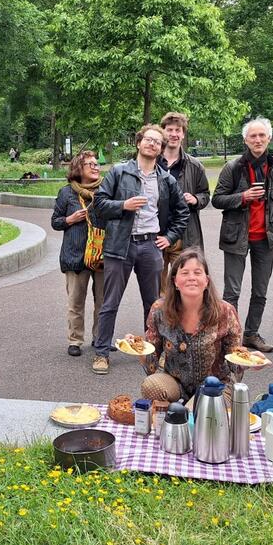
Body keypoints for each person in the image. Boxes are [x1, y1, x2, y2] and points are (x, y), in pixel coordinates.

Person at [89, 124, 189, 375]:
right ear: (138, 143)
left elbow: (182, 213)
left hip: (150, 246)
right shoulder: (119, 172)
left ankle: (154, 353)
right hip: (119, 245)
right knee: (110, 302)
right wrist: (123, 205)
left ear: (161, 149)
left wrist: (169, 237)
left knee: (154, 304)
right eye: (148, 139)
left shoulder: (166, 179)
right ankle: (101, 353)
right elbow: (98, 205)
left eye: (157, 142)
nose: (152, 144)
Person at [140, 249, 261, 402]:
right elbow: (151, 364)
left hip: (215, 385)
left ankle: (190, 409)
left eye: (197, 273)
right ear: (175, 281)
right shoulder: (159, 310)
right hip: (175, 382)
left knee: (200, 411)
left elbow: (234, 362)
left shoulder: (225, 311)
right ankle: (180, 408)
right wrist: (137, 348)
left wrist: (250, 361)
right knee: (151, 386)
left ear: (206, 281)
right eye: (185, 273)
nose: (191, 278)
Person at [211, 116, 273, 353]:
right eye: (253, 136)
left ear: (269, 138)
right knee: (232, 292)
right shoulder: (234, 167)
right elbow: (217, 199)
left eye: (262, 135)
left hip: (266, 238)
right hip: (236, 237)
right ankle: (229, 337)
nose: (257, 140)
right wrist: (243, 197)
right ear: (245, 140)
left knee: (260, 291)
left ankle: (251, 334)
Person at [51, 151, 106, 357]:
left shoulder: (105, 191)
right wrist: (70, 219)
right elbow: (55, 222)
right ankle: (75, 340)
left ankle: (100, 338)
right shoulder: (66, 193)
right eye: (90, 164)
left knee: (103, 302)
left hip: (101, 255)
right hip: (75, 255)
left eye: (96, 163)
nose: (95, 167)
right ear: (78, 169)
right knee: (76, 302)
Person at [158, 111, 211, 290]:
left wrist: (195, 199)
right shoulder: (152, 162)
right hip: (156, 233)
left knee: (183, 284)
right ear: (163, 132)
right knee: (157, 286)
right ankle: (159, 310)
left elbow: (205, 194)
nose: (173, 134)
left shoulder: (195, 165)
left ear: (183, 134)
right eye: (169, 130)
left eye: (178, 130)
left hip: (184, 234)